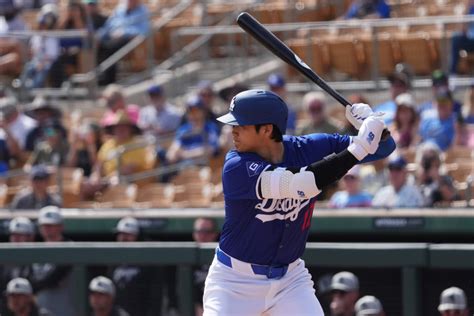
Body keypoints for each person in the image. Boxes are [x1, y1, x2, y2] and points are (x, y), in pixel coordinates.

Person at [203, 89, 395, 315]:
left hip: (290, 281)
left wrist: (375, 127)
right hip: (234, 283)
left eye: (240, 126)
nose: (232, 131)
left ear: (266, 129)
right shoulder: (236, 165)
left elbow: (385, 147)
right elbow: (301, 183)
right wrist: (360, 146)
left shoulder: (308, 147)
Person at [108, 217, 162, 316]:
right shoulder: (114, 260)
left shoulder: (148, 261)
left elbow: (154, 296)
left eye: (128, 235)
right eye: (121, 234)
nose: (123, 238)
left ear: (137, 236)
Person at [30, 206, 75, 316]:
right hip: (42, 309)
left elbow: (54, 279)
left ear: (61, 227)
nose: (47, 229)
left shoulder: (70, 248)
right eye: (44, 225)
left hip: (65, 310)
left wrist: (32, 287)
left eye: (51, 225)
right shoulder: (36, 250)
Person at [96, 0, 150, 84]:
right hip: (111, 37)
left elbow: (143, 30)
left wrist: (123, 33)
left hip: (128, 40)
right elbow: (108, 25)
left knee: (110, 49)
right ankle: (99, 76)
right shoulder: (120, 8)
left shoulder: (142, 11)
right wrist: (99, 36)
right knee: (96, 46)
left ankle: (109, 80)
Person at [166, 95, 220, 165]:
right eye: (190, 111)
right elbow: (171, 154)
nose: (193, 114)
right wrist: (174, 154)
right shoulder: (183, 130)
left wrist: (185, 154)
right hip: (186, 168)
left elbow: (211, 150)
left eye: (196, 110)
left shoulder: (210, 127)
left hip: (206, 166)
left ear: (203, 112)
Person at [20, 4, 60, 89]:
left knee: (41, 73)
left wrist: (42, 63)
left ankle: (36, 93)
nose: (44, 26)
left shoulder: (53, 38)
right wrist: (36, 61)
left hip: (48, 64)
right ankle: (22, 90)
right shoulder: (36, 37)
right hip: (36, 62)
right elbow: (33, 51)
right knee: (28, 68)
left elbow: (53, 56)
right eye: (42, 24)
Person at [192, 218, 219, 316]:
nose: (203, 236)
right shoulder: (188, 259)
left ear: (214, 234)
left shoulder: (222, 257)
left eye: (207, 232)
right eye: (199, 231)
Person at [0, 97, 37, 165]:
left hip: (19, 165)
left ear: (15, 112)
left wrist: (6, 130)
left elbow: (18, 153)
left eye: (9, 114)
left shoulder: (29, 125)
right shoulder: (3, 122)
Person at [449, 0, 474, 75]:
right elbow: (461, 28)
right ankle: (453, 74)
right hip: (470, 40)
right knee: (456, 39)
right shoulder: (470, 9)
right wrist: (466, 9)